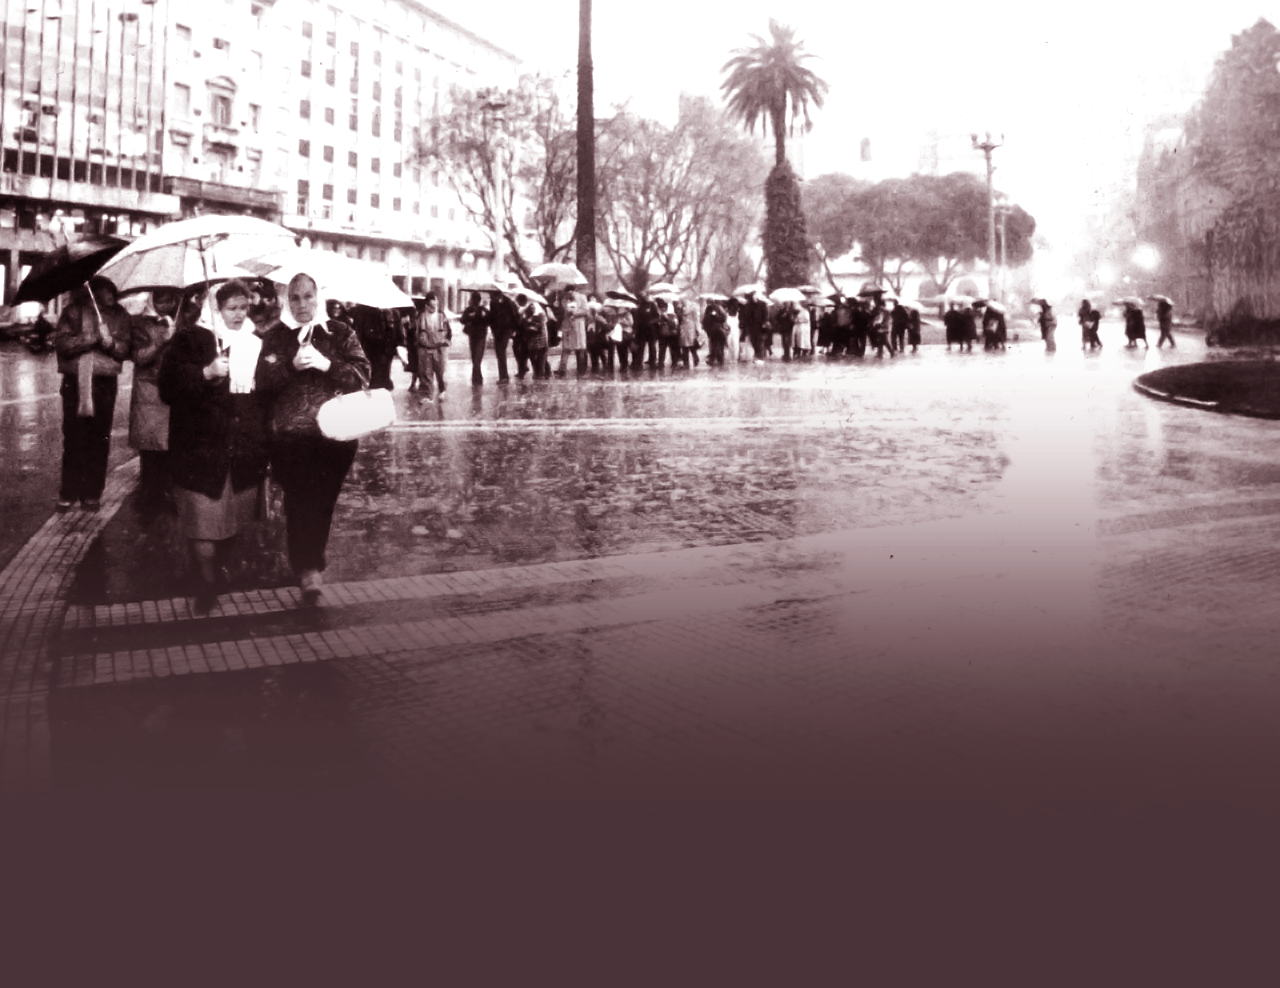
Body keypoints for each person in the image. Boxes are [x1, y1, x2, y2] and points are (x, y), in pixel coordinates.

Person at [256, 271, 371, 603]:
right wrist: (289, 366)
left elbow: (363, 376)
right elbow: (261, 383)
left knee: (321, 502)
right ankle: (308, 569)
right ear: (285, 301)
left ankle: (310, 563)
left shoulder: (339, 332)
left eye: (308, 296)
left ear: (319, 296)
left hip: (334, 437)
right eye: (294, 297)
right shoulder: (275, 336)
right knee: (298, 501)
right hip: (290, 439)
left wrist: (326, 364)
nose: (302, 304)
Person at [158, 279, 270, 614]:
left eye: (244, 308)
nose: (238, 314)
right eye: (231, 308)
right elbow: (167, 387)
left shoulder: (254, 343)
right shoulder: (190, 338)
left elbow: (262, 397)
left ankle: (216, 568)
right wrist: (205, 372)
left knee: (232, 518)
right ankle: (205, 582)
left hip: (241, 450)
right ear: (215, 309)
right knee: (204, 521)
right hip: (200, 449)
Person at [52, 276, 132, 512]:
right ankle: (68, 491)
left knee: (99, 439)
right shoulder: (74, 311)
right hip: (75, 382)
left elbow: (125, 349)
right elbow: (63, 344)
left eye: (113, 290)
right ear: (96, 290)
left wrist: (110, 344)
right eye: (106, 290)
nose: (111, 295)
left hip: (105, 383)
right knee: (74, 439)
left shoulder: (122, 315)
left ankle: (92, 493)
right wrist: (91, 338)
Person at [128, 287, 182, 515]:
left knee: (172, 446)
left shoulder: (182, 320)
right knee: (150, 449)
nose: (165, 304)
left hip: (174, 389)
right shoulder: (141, 324)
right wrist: (162, 340)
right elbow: (138, 356)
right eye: (160, 299)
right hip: (148, 392)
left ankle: (168, 494)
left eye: (169, 299)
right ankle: (150, 496)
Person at [350, 303, 402, 390]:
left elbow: (395, 331)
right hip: (371, 347)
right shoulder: (362, 311)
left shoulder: (392, 312)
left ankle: (382, 388)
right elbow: (359, 329)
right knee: (375, 373)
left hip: (385, 348)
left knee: (383, 372)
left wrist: (396, 344)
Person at [413, 292, 450, 400]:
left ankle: (442, 390)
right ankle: (426, 395)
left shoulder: (441, 315)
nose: (436, 302)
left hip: (439, 349)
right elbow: (416, 331)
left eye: (436, 300)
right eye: (433, 299)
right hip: (424, 349)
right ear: (428, 302)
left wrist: (445, 342)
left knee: (440, 372)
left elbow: (448, 331)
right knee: (425, 373)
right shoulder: (421, 316)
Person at [556, 287, 589, 376]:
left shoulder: (582, 297)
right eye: (567, 292)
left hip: (578, 326)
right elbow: (561, 313)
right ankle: (562, 369)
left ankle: (581, 370)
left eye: (570, 292)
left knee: (580, 349)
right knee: (566, 348)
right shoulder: (563, 300)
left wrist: (575, 313)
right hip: (567, 326)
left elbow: (586, 311)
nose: (569, 294)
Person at [460, 291, 491, 385]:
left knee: (477, 359)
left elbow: (489, 320)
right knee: (474, 358)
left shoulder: (483, 310)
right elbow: (462, 320)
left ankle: (476, 379)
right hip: (473, 336)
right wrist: (470, 316)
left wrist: (482, 316)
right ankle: (477, 378)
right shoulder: (469, 310)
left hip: (480, 336)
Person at [516, 293, 549, 378]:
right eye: (531, 307)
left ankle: (542, 373)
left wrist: (530, 325)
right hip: (532, 340)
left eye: (533, 307)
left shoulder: (541, 314)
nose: (532, 308)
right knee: (533, 357)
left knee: (541, 357)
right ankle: (537, 372)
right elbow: (524, 324)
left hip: (541, 339)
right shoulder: (527, 314)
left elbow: (539, 326)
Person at [702, 299, 729, 366]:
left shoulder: (719, 308)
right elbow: (705, 319)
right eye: (708, 303)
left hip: (719, 330)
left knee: (719, 346)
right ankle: (714, 359)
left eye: (709, 302)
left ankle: (720, 360)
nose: (709, 304)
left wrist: (716, 316)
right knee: (713, 346)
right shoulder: (708, 309)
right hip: (711, 331)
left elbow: (723, 318)